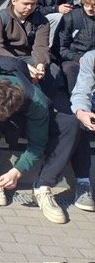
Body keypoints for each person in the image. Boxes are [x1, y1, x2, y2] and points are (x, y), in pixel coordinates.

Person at [0, 56, 81, 224]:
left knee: (70, 124)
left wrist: (16, 172)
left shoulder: (36, 101)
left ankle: (42, 187)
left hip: (25, 116)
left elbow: (37, 145)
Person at [0, 0, 53, 94]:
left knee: (53, 71)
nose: (29, 8)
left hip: (28, 56)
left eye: (33, 4)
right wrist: (21, 65)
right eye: (25, 4)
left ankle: (43, 102)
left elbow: (41, 46)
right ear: (14, 1)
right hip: (2, 57)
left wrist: (41, 64)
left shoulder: (42, 21)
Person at [68, 49, 95, 213]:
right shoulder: (91, 58)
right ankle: (83, 182)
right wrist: (81, 112)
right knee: (78, 123)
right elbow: (82, 91)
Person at [57, 0, 95, 93]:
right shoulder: (72, 18)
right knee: (72, 69)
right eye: (86, 4)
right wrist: (77, 58)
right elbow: (60, 47)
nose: (89, 9)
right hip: (74, 58)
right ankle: (76, 101)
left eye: (94, 6)